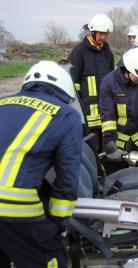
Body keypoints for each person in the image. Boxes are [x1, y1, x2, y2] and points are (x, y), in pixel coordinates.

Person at [0, 61, 82, 268]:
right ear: (64, 90)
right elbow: (67, 178)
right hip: (13, 210)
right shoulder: (66, 114)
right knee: (52, 261)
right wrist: (58, 224)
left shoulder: (3, 103)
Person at [99, 47, 138, 162]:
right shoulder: (109, 82)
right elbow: (107, 115)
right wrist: (110, 145)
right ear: (129, 69)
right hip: (117, 145)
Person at [68, 14, 114, 153]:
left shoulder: (107, 53)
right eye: (101, 34)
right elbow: (73, 82)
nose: (104, 37)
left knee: (105, 150)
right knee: (90, 150)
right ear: (92, 32)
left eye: (106, 34)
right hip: (87, 112)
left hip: (105, 111)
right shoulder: (79, 52)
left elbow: (111, 79)